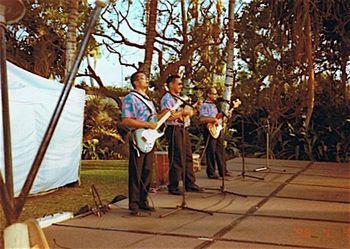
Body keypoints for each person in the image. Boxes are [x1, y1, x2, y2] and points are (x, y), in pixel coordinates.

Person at [122, 71, 158, 216]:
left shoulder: (149, 100)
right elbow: (126, 120)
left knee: (147, 170)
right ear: (136, 82)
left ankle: (143, 200)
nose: (147, 80)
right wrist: (146, 125)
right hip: (138, 136)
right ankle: (134, 203)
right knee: (136, 170)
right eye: (143, 78)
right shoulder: (130, 98)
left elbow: (153, 120)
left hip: (150, 137)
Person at [160, 74, 202, 195]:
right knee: (176, 157)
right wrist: (183, 112)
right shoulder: (167, 99)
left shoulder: (181, 98)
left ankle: (189, 183)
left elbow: (187, 114)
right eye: (178, 84)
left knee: (188, 156)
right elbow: (168, 116)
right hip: (174, 128)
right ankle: (173, 185)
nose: (181, 86)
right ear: (171, 84)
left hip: (183, 128)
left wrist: (194, 109)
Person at [199, 87, 230, 179]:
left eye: (216, 94)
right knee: (211, 150)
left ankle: (223, 171)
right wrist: (214, 120)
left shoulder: (216, 105)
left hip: (217, 129)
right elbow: (202, 118)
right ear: (208, 94)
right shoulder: (205, 105)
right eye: (213, 93)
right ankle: (211, 172)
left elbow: (219, 117)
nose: (215, 95)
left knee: (220, 149)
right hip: (209, 129)